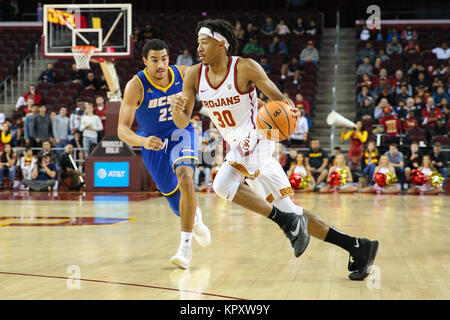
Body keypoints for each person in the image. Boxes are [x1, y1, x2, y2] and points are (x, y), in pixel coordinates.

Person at [171, 19, 378, 280]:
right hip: (242, 149)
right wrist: (177, 110)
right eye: (198, 42)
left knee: (222, 185)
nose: (198, 47)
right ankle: (358, 247)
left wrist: (288, 110)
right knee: (291, 210)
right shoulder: (194, 75)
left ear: (221, 44)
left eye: (204, 42)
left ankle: (287, 223)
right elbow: (183, 121)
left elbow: (280, 99)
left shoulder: (244, 67)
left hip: (260, 135)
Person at [117, 39, 211, 270]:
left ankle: (185, 247)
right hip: (153, 143)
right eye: (155, 60)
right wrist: (142, 141)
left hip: (181, 132)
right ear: (144, 62)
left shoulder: (183, 73)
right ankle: (195, 219)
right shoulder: (135, 86)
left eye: (164, 59)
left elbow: (215, 87)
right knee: (175, 201)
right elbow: (121, 130)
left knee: (186, 176)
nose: (161, 65)